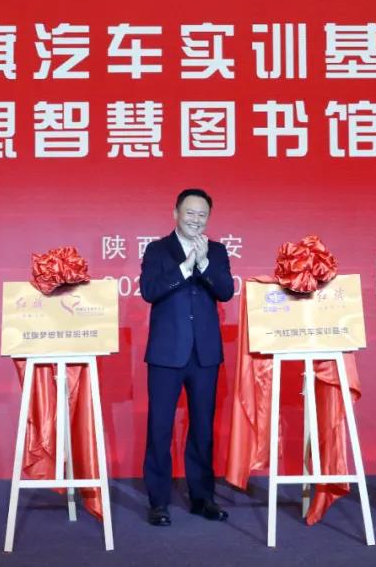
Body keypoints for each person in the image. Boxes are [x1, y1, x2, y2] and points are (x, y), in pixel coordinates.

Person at [140, 188, 235, 527]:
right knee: (160, 428)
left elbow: (226, 291)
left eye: (202, 214)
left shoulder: (217, 251)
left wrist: (204, 263)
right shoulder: (157, 250)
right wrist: (184, 268)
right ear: (176, 213)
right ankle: (158, 501)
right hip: (167, 353)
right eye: (190, 213)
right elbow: (149, 291)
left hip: (204, 354)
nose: (196, 219)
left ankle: (202, 497)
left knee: (202, 428)